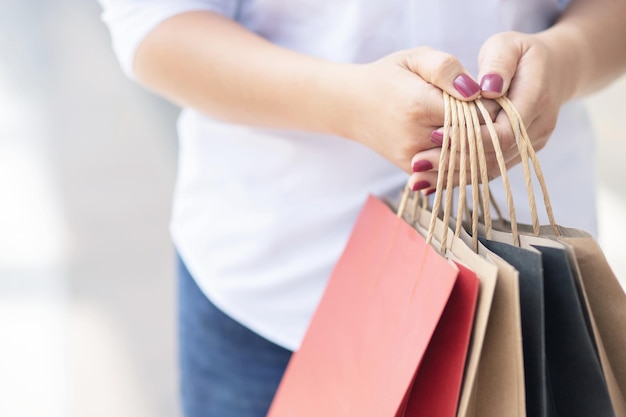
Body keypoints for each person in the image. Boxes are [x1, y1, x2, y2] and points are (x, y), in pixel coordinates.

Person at [98, 0, 626, 416]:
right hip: (276, 293)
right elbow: (153, 21)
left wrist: (566, 58)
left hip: (525, 305)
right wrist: (348, 103)